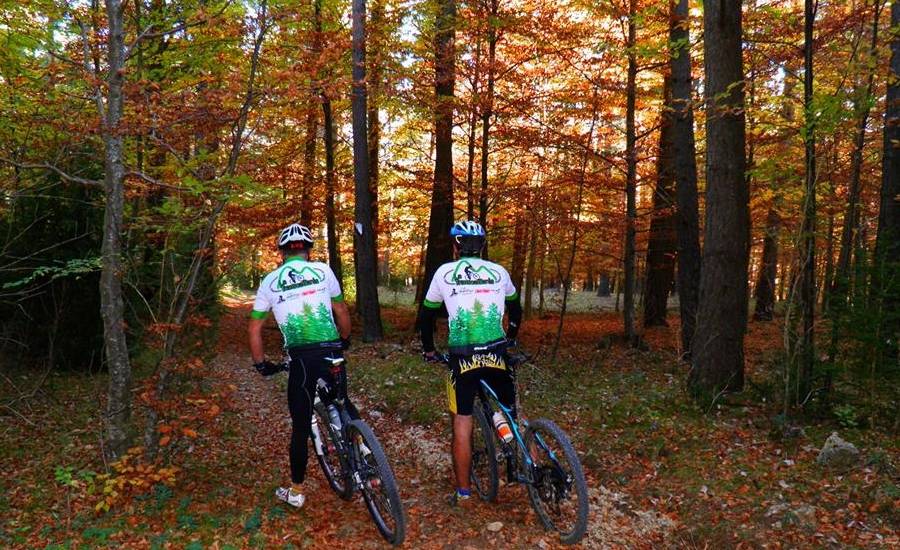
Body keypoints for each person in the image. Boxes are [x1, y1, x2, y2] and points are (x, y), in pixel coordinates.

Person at [248, 222, 352, 509]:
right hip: (331, 350)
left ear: (282, 252)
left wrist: (261, 365)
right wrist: (345, 338)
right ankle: (365, 451)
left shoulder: (269, 281)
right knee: (342, 401)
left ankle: (296, 490)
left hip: (301, 359)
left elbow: (255, 327)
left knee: (301, 425)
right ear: (308, 251)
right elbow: (340, 309)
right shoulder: (323, 271)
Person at [420, 220, 523, 505]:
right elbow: (515, 309)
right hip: (497, 352)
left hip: (462, 357)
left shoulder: (444, 273)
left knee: (462, 423)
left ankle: (464, 493)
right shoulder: (499, 272)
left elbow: (427, 316)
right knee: (510, 413)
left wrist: (428, 349)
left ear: (456, 246)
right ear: (482, 246)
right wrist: (511, 336)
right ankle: (527, 459)